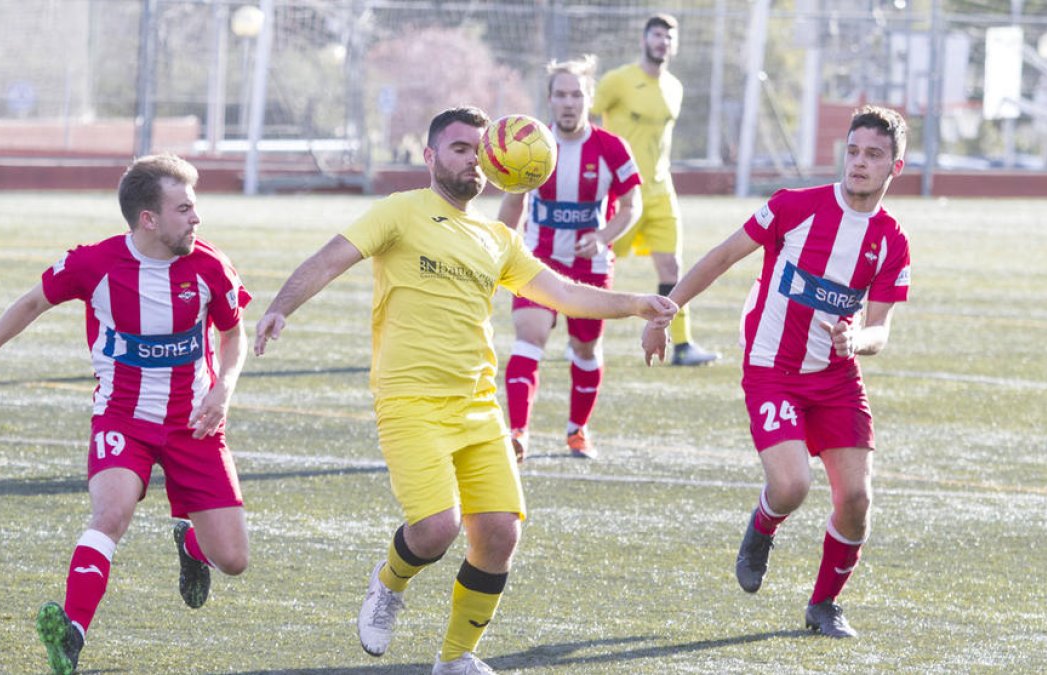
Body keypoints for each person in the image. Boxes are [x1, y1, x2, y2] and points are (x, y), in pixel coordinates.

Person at [254, 106, 676, 674]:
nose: (473, 158)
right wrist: (281, 307)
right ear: (430, 157)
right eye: (459, 148)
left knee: (500, 533)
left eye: (480, 149)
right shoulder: (400, 212)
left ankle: (455, 658)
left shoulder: (497, 237)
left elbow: (563, 293)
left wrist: (635, 303)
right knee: (435, 529)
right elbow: (331, 259)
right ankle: (388, 584)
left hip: (478, 404)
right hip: (409, 399)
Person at [0, 154, 254, 674]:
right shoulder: (95, 264)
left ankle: (193, 546)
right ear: (148, 219)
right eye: (184, 209)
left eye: (195, 207)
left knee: (234, 560)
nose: (196, 219)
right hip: (122, 419)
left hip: (195, 424)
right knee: (110, 515)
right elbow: (30, 304)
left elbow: (232, 333)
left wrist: (223, 390)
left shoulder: (209, 266)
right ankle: (72, 631)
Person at [641, 106, 912, 638]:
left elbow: (880, 329)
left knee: (856, 500)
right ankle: (763, 525)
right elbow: (721, 258)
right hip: (773, 369)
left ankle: (824, 606)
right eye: (853, 151)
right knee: (791, 486)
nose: (859, 163)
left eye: (874, 155)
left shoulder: (891, 240)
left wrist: (857, 339)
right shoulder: (795, 207)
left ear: (894, 167)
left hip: (836, 378)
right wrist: (664, 312)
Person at [498, 55, 643, 461]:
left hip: (590, 267)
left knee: (584, 349)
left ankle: (577, 431)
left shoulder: (611, 147)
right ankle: (518, 433)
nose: (568, 102)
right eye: (560, 94)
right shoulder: (533, 146)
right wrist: (502, 249)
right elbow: (513, 202)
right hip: (538, 258)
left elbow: (633, 205)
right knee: (529, 337)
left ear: (589, 98)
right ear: (549, 99)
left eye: (576, 94)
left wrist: (602, 237)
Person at [592, 12, 720, 366]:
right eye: (656, 35)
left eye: (668, 37)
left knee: (672, 267)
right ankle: (582, 338)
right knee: (597, 263)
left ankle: (681, 344)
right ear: (644, 40)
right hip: (622, 191)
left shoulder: (675, 87)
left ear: (674, 46)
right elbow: (584, 119)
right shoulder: (618, 81)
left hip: (662, 191)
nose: (662, 41)